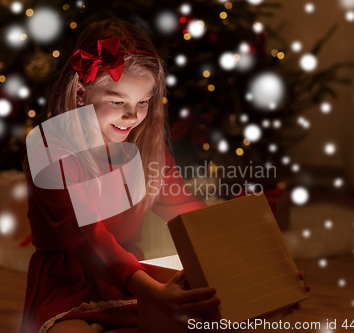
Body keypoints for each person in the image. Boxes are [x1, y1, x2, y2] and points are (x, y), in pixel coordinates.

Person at [20, 17, 309, 333]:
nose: (133, 116)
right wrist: (153, 292)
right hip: (69, 287)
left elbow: (191, 215)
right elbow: (88, 238)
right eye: (118, 101)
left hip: (132, 286)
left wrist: (262, 275)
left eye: (142, 101)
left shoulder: (146, 153)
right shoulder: (50, 150)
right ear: (81, 94)